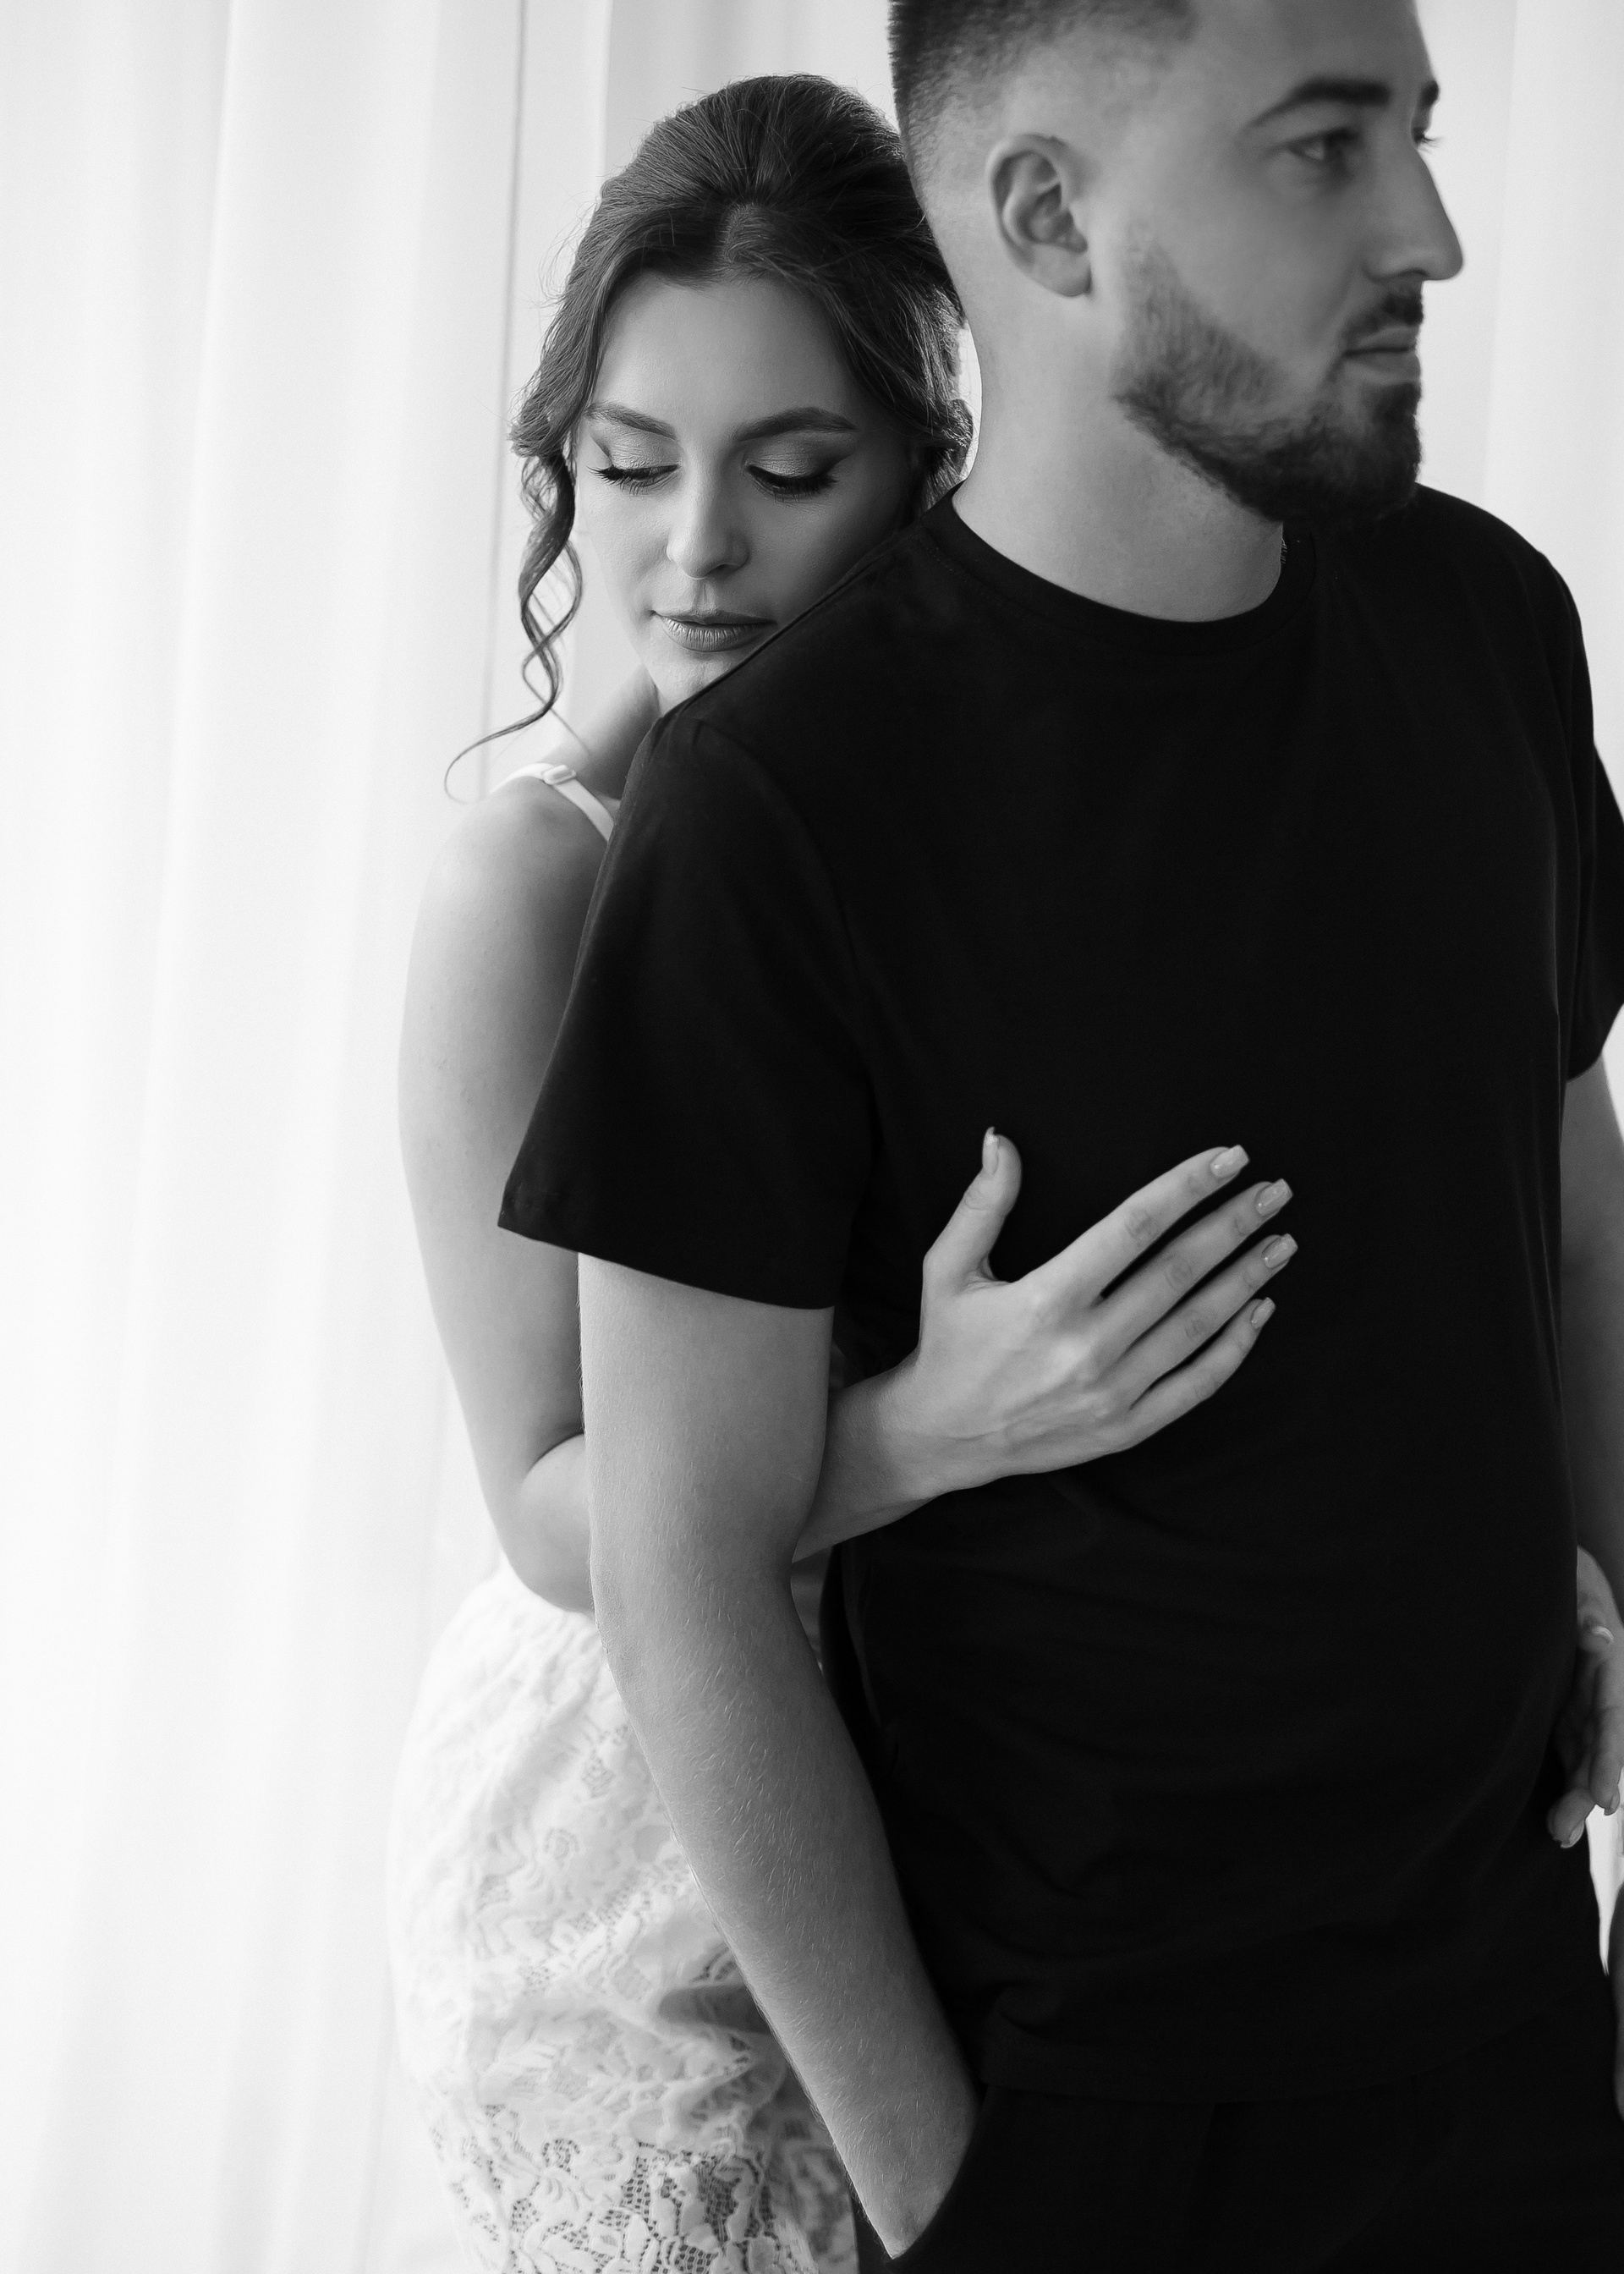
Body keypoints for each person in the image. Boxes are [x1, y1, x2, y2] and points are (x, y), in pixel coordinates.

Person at [502, 3, 1624, 2266]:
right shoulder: (774, 808)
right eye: (1324, 150)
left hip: (1522, 2037)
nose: (1430, 230)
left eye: (1414, 134)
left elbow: (1571, 1202)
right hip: (1082, 2115)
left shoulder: (1492, 622)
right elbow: (681, 1572)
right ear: (1046, 216)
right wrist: (958, 2204)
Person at [388, 74, 1340, 2274]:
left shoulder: (976, 827)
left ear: (929, 465)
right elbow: (545, 1508)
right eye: (631, 465)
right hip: (637, 1863)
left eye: (789, 470)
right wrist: (927, 1428)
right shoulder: (532, 886)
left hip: (979, 1810)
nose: (695, 549)